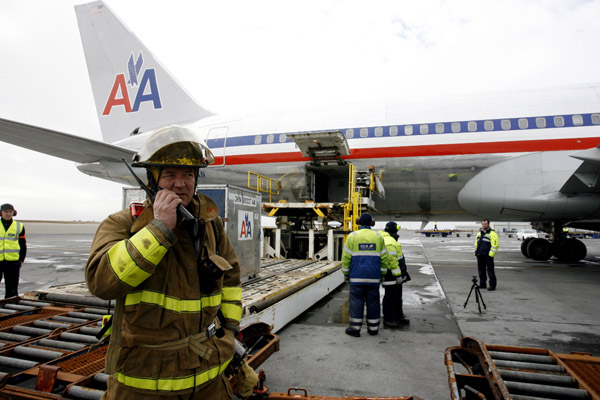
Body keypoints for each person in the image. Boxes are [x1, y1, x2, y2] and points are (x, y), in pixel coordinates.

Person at [85, 126, 243, 399]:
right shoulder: (123, 224)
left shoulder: (211, 226)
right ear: (151, 180)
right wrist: (158, 230)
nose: (180, 184)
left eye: (188, 175)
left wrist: (229, 336)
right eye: (170, 174)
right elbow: (101, 282)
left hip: (209, 379)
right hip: (144, 383)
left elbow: (230, 283)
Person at [341, 213, 389, 337]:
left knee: (356, 302)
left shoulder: (353, 236)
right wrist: (382, 273)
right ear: (371, 223)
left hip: (357, 277)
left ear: (359, 222)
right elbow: (384, 258)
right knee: (373, 302)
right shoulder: (378, 237)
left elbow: (346, 257)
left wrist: (346, 273)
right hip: (373, 277)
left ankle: (355, 329)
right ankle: (373, 329)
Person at [381, 222, 410, 328]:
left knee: (397, 296)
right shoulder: (389, 242)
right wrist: (398, 275)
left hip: (396, 274)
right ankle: (388, 319)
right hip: (391, 275)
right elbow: (392, 261)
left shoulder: (391, 240)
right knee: (390, 296)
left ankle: (398, 316)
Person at [0, 203, 26, 298]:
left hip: (13, 262)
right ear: (1, 213)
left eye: (10, 212)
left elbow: (22, 244)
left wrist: (21, 259)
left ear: (13, 213)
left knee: (12, 288)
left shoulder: (19, 226)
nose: (8, 214)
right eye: (5, 212)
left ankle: (10, 304)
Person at [474, 219, 499, 291]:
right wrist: (476, 252)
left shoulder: (492, 234)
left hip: (488, 255)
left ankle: (492, 285)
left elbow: (495, 245)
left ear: (488, 224)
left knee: (490, 271)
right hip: (480, 255)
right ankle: (482, 284)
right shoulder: (479, 233)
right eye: (483, 224)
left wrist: (491, 254)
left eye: (485, 224)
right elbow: (476, 243)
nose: (484, 225)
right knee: (481, 270)